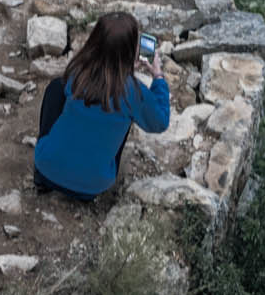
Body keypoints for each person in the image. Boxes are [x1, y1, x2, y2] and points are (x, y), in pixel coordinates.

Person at [31, 12, 170, 200]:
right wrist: (158, 76)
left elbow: (103, 76)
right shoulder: (133, 93)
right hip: (91, 187)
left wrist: (124, 66)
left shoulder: (77, 71)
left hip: (46, 169)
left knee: (56, 88)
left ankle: (43, 176)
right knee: (125, 116)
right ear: (130, 50)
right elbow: (160, 122)